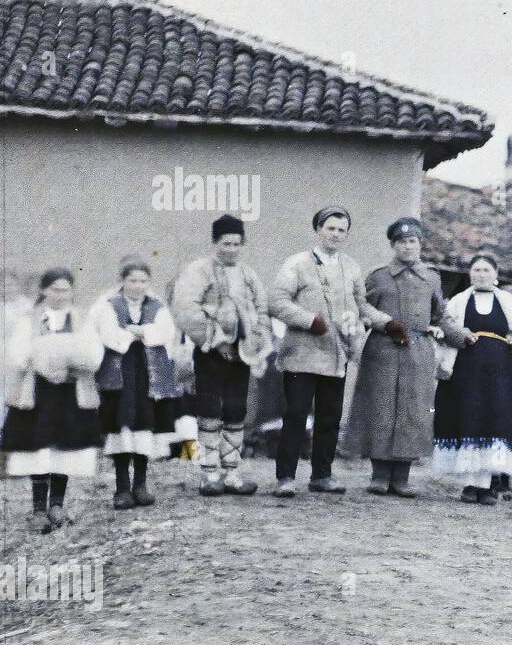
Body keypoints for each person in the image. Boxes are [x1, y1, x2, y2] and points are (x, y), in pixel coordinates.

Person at [268, 207, 396, 496]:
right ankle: (285, 477)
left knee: (330, 416)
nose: (335, 234)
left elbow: (361, 306)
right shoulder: (297, 263)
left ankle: (322, 475)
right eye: (330, 228)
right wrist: (309, 321)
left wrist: (387, 323)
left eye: (341, 230)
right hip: (302, 354)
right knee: (296, 414)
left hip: (337, 353)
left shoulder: (350, 266)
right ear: (318, 230)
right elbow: (276, 301)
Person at [342, 218, 470, 497]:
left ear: (419, 244)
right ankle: (378, 476)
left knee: (412, 412)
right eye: (401, 242)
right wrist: (380, 325)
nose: (407, 247)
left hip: (418, 352)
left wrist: (462, 336)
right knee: (381, 408)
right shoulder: (378, 277)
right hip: (383, 351)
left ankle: (402, 478)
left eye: (412, 241)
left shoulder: (432, 278)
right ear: (393, 246)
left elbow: (440, 316)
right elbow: (363, 309)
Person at [171, 214, 272, 497]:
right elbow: (186, 309)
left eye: (236, 244)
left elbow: (262, 309)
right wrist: (214, 340)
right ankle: (209, 473)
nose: (231, 249)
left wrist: (255, 340)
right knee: (211, 410)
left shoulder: (248, 274)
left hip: (242, 354)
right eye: (225, 243)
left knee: (236, 409)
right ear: (215, 243)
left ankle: (232, 472)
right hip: (212, 353)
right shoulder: (199, 271)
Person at [432, 254, 512, 504]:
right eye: (476, 270)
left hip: (500, 373)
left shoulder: (508, 302)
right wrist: (454, 335)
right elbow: (444, 329)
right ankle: (469, 485)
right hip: (465, 371)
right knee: (469, 419)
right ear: (470, 274)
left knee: (493, 422)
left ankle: (486, 486)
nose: (480, 274)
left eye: (485, 270)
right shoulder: (459, 301)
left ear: (495, 274)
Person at [2, 268, 104, 532]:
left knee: (65, 445)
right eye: (55, 289)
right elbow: (18, 354)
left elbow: (93, 352)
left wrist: (74, 361)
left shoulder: (81, 320)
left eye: (66, 290)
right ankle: (38, 509)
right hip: (38, 391)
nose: (60, 295)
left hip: (70, 390)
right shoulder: (30, 321)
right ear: (43, 290)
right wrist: (42, 358)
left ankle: (57, 504)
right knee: (40, 446)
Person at [90, 257, 184, 510]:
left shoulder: (156, 305)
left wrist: (140, 331)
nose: (138, 286)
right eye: (132, 280)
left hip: (148, 373)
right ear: (123, 280)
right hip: (120, 373)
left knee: (144, 424)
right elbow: (106, 333)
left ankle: (140, 485)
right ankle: (121, 487)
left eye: (143, 281)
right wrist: (133, 333)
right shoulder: (109, 304)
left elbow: (166, 332)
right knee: (121, 426)